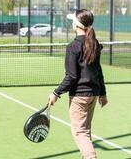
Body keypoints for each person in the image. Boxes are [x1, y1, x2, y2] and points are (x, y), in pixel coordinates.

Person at [48, 9, 108, 159]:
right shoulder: (94, 44)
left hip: (79, 97)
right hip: (93, 95)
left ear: (76, 25)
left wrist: (56, 93)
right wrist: (103, 93)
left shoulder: (73, 47)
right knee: (85, 131)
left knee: (79, 132)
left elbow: (71, 76)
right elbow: (99, 71)